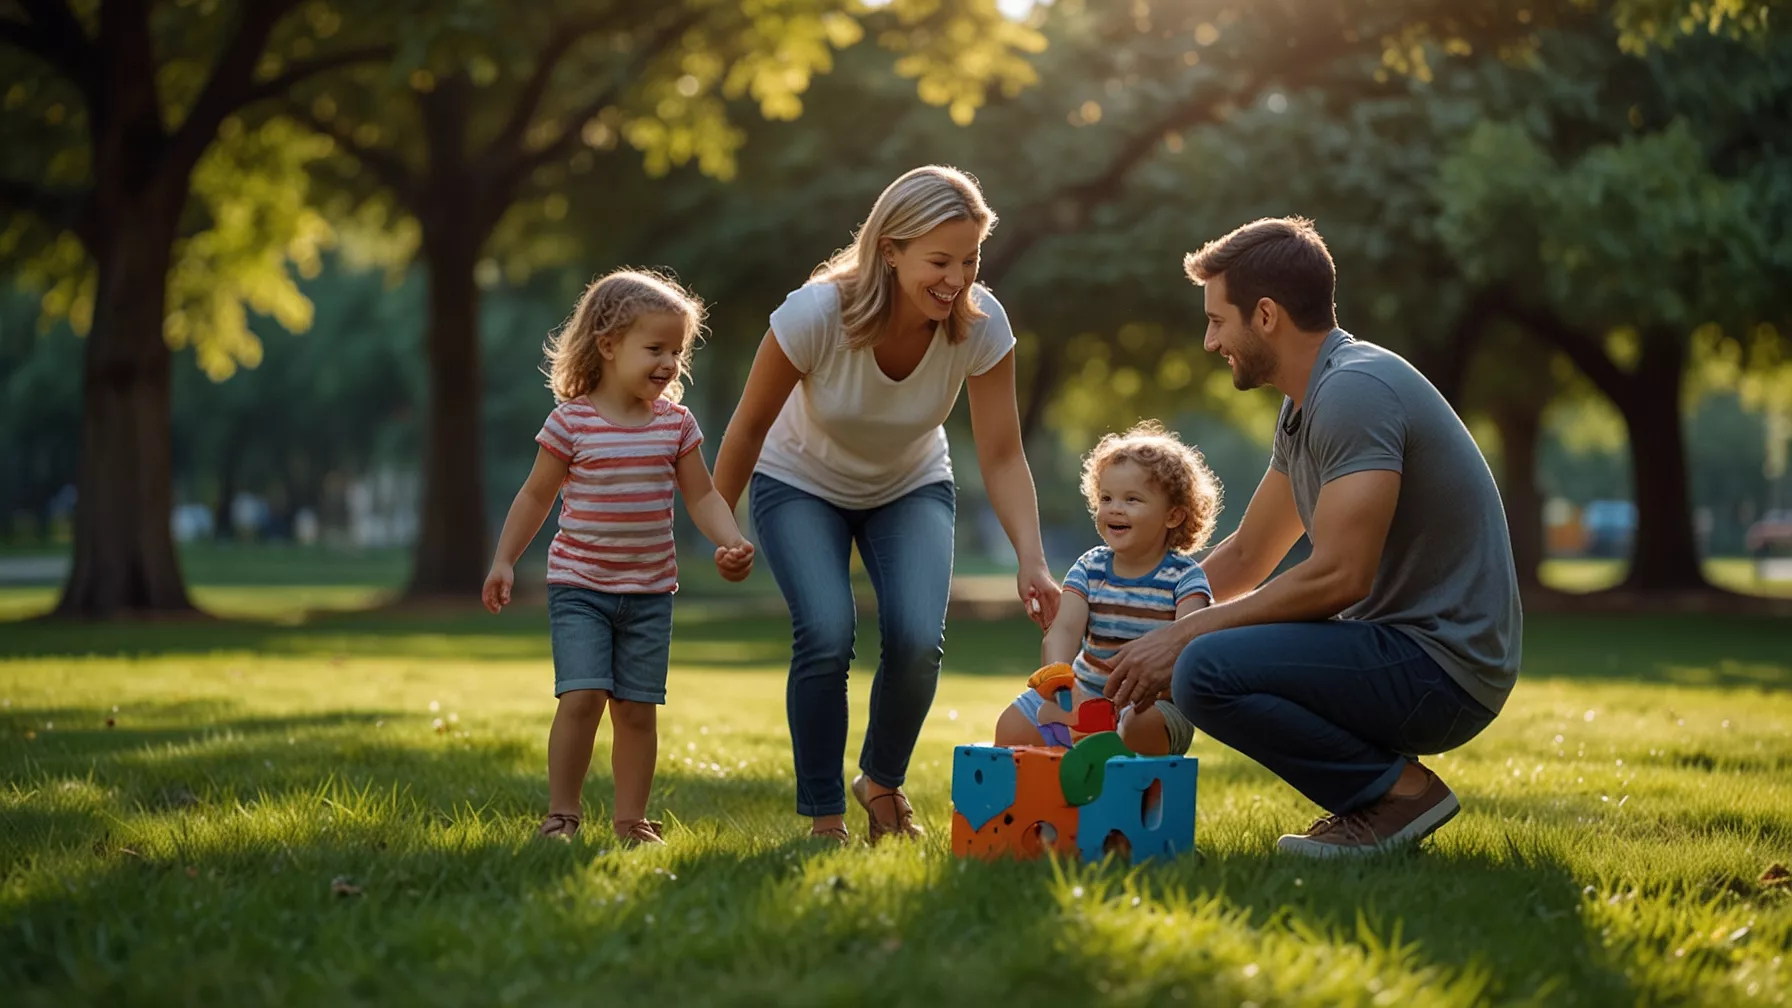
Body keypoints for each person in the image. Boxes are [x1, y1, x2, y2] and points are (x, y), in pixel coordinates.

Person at [1103, 217, 1522, 858]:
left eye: (1218, 320)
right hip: (1402, 651)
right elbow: (1248, 553)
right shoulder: (1309, 402)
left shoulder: (1354, 392)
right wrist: (1132, 626)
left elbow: (1339, 576)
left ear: (1265, 315)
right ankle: (1384, 796)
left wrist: (1184, 638)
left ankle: (1398, 797)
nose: (1210, 341)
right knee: (1193, 658)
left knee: (1205, 669)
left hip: (1442, 668)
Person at [711, 165, 1062, 845]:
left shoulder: (981, 325)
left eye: (970, 260)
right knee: (825, 633)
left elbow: (1000, 453)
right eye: (939, 260)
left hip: (910, 485)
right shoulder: (817, 313)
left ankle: (880, 780)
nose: (956, 279)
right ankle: (824, 817)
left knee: (915, 642)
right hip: (799, 483)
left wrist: (1032, 559)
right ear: (889, 249)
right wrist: (720, 525)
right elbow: (749, 426)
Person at [481, 269, 755, 845]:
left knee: (635, 710)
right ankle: (562, 815)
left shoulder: (676, 425)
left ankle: (632, 821)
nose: (668, 363)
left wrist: (728, 539)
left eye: (676, 351)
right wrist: (505, 559)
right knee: (582, 697)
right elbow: (535, 495)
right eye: (654, 348)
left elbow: (702, 494)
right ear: (608, 345)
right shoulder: (571, 422)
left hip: (650, 592)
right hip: (580, 586)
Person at [994, 421, 1221, 756]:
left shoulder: (1185, 579)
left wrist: (1144, 699)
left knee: (1139, 726)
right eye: (1106, 497)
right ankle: (1029, 800)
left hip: (1152, 705)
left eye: (1132, 499)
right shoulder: (1089, 568)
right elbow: (1064, 631)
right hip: (1084, 695)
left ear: (1173, 516)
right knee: (1012, 724)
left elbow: (1189, 645)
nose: (1114, 508)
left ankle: (1130, 792)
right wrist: (1061, 681)